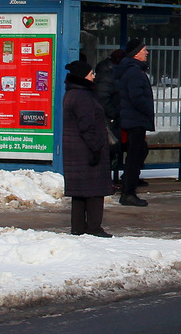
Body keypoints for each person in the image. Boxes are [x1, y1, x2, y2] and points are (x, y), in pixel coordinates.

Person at [62, 57, 112, 237]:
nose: (93, 77)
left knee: (79, 192)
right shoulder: (83, 97)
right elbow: (87, 126)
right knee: (94, 190)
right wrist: (96, 148)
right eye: (91, 74)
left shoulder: (72, 93)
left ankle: (78, 227)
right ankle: (94, 227)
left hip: (75, 149)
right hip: (85, 150)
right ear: (83, 76)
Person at [115, 39, 154, 206]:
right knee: (134, 156)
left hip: (132, 119)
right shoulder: (134, 72)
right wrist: (147, 110)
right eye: (144, 50)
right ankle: (128, 193)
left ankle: (128, 189)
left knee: (137, 153)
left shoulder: (131, 70)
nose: (146, 52)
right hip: (135, 120)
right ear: (136, 53)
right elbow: (137, 97)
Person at [93, 47, 124, 184]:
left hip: (112, 120)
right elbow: (103, 98)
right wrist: (114, 114)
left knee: (113, 151)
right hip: (108, 121)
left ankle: (107, 180)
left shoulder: (111, 73)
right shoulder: (107, 75)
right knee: (109, 151)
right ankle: (103, 182)